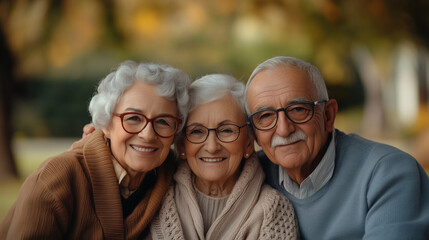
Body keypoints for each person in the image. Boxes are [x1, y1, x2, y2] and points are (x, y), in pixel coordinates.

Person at [0, 60, 191, 239]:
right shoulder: (56, 179)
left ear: (176, 131)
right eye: (133, 118)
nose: (148, 135)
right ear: (106, 124)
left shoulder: (171, 176)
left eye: (163, 121)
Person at [244, 56, 429, 239]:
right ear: (254, 133)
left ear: (328, 115)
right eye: (265, 116)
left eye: (298, 109)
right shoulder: (250, 178)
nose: (284, 130)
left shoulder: (390, 173)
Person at [149, 74, 299, 239]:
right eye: (197, 131)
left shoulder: (273, 209)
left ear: (249, 142)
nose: (212, 147)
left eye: (227, 130)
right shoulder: (154, 198)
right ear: (181, 145)